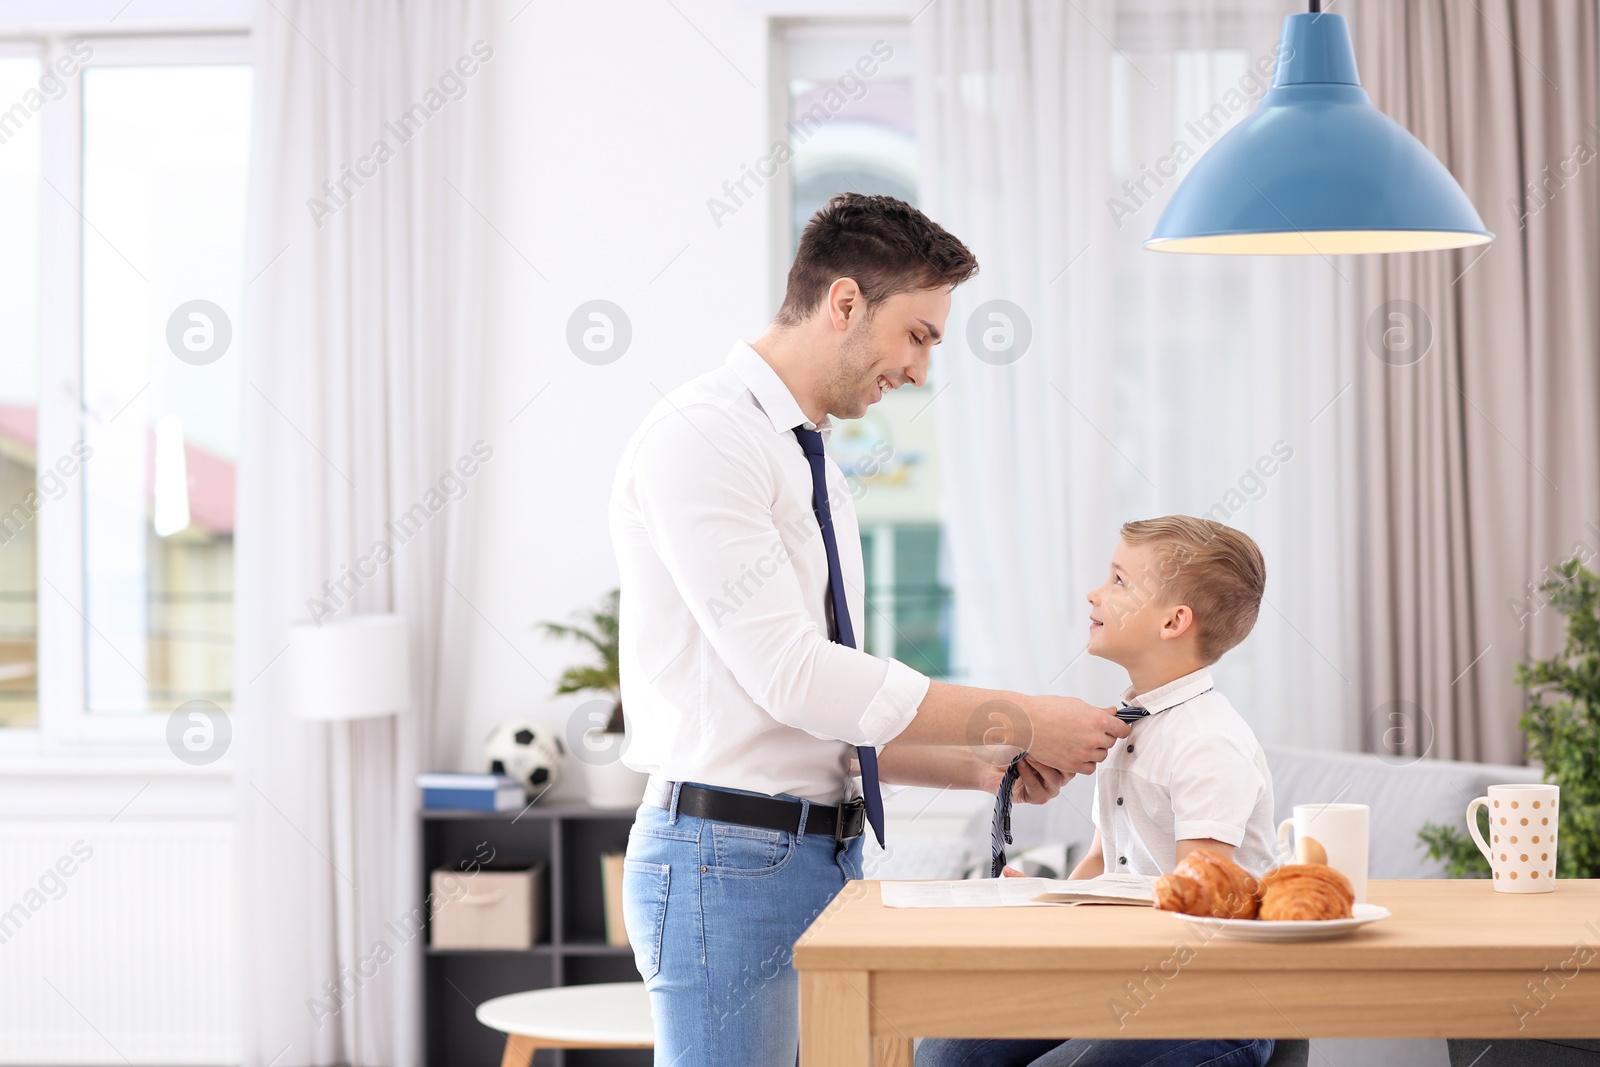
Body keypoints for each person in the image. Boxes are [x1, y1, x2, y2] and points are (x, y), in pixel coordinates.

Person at [609, 192, 1133, 1066]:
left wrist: (974, 763)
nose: (922, 370)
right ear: (845, 302)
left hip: (814, 857)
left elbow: (810, 718)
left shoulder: (809, 457)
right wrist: (1017, 717)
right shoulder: (705, 438)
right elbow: (794, 675)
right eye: (919, 335)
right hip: (724, 862)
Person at [918, 516, 1278, 1067]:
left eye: (1118, 581)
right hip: (1128, 982)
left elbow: (1201, 902)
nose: (1094, 593)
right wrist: (1049, 900)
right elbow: (1101, 860)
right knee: (950, 1051)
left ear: (1174, 621)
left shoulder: (1208, 741)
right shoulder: (1129, 726)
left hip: (1213, 1001)